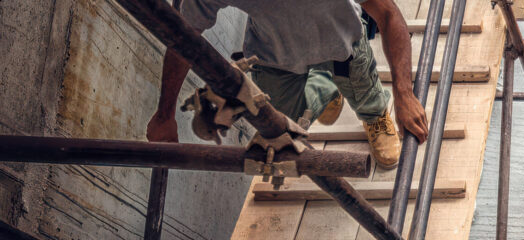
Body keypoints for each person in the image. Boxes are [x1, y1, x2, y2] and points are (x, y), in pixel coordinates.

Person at [146, 0, 429, 169]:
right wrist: (164, 114)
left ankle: (374, 116)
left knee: (364, 90)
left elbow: (388, 13)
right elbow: (182, 34)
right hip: (276, 55)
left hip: (341, 44)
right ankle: (325, 86)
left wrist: (404, 93)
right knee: (281, 127)